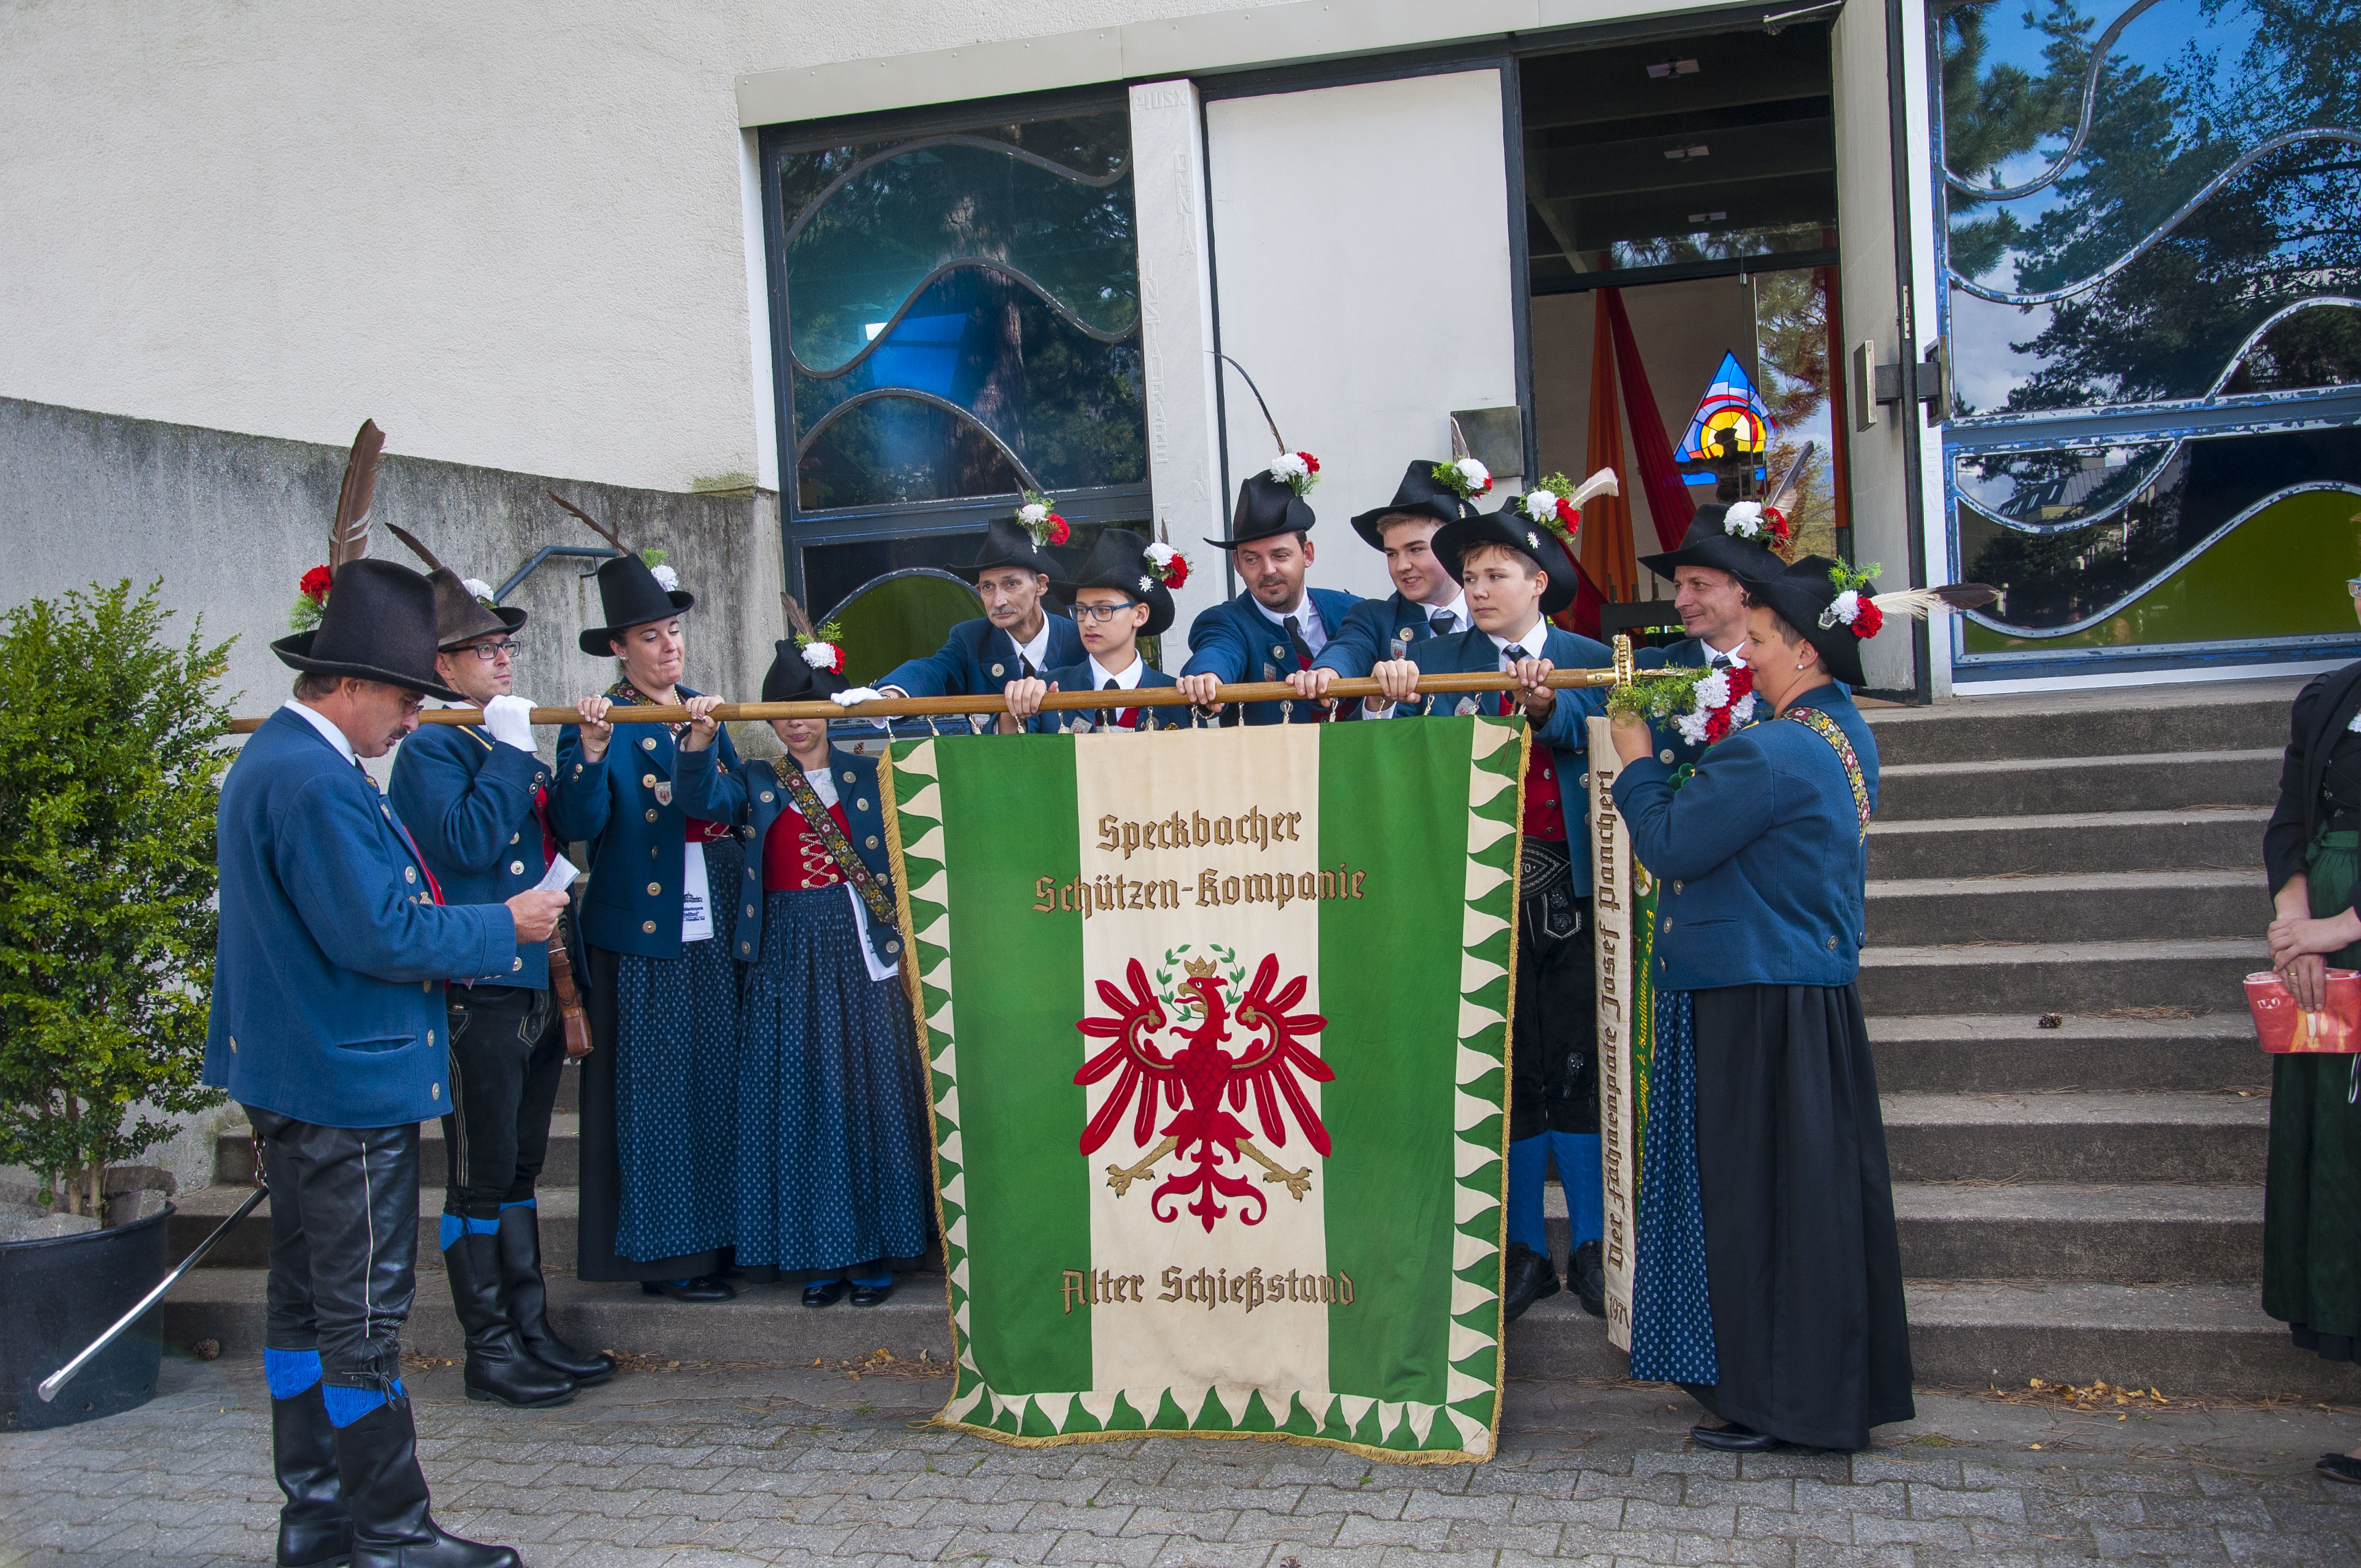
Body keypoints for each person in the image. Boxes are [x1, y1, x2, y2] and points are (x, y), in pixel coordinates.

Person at [206, 557, 565, 1568]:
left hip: (301, 1071)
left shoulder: (287, 762)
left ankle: (318, 1516)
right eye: (408, 697)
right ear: (352, 683)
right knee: (360, 1317)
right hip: (341, 1080)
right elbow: (380, 932)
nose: (414, 718)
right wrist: (507, 922)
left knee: (304, 1304)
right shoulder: (313, 778)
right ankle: (389, 1532)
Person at [1608, 552, 1910, 1454]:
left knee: (1750, 1209)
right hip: (1797, 992)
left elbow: (1668, 841)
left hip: (1753, 998)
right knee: (1800, 1206)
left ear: (1805, 650)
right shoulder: (1841, 734)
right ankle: (1801, 1391)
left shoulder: (1772, 748)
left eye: (1763, 639)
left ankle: (1775, 1398)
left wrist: (1636, 762)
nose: (1749, 652)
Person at [1364, 497, 1614, 1321]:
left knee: (1577, 1068)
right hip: (1480, 897)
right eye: (1468, 577)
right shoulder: (1435, 659)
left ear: (1539, 582)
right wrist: (1389, 696)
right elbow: (1399, 758)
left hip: (1577, 898)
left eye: (1495, 575)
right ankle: (1521, 1252)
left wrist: (1552, 707)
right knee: (1504, 1069)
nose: (1477, 589)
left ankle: (1592, 1244)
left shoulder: (1590, 654)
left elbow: (1610, 732)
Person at [385, 543, 616, 1408]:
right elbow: (471, 845)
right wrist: (511, 754)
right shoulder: (433, 751)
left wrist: (584, 755)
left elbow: (576, 829)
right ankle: (488, 1350)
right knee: (479, 1172)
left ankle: (529, 1330)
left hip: (539, 977)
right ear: (442, 667)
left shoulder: (496, 734)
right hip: (479, 985)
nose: (505, 658)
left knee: (519, 1168)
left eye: (506, 647)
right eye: (487, 650)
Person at [672, 636, 932, 1307]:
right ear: (769, 719)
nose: (797, 719)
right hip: (785, 949)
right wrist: (699, 740)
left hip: (857, 946)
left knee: (868, 1093)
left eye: (809, 706)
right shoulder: (757, 781)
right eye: (784, 709)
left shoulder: (870, 774)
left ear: (829, 711)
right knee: (802, 1098)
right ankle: (820, 1254)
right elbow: (699, 801)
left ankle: (875, 1251)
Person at [552, 552, 742, 1302]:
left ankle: (722, 1240)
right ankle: (667, 1257)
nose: (670, 648)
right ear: (617, 650)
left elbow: (724, 807)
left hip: (709, 931)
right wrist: (593, 754)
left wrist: (699, 752)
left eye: (673, 632)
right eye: (651, 637)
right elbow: (577, 823)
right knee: (659, 1101)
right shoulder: (596, 723)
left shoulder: (704, 711)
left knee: (713, 1088)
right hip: (641, 938)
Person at [2258, 604, 2361, 1485]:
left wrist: (2347, 926)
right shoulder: (2329, 697)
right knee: (2341, 1168)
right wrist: (2295, 917)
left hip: (2351, 934)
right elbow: (2293, 811)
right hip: (2323, 958)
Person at [1174, 460, 1361, 724]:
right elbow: (1219, 649)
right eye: (1252, 560)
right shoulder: (1226, 623)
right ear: (1237, 564)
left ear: (1307, 554)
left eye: (1281, 555)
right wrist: (1208, 677)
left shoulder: (1352, 611)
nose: (1268, 570)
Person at [1630, 500, 1790, 767]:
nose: (1680, 601)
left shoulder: (1791, 671)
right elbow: (1581, 718)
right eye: (1679, 586)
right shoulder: (1648, 667)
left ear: (1743, 589)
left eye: (1699, 585)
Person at [874, 513, 1083, 710]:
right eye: (988, 587)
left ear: (1041, 585)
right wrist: (888, 696)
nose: (998, 601)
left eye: (1011, 584)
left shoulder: (1080, 638)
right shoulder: (971, 640)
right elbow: (933, 671)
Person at [1000, 527, 1184, 734]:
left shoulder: (1174, 695)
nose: (1088, 622)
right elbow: (1009, 753)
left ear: (1140, 615)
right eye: (1081, 610)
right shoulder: (1048, 687)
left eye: (1103, 610)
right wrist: (1015, 709)